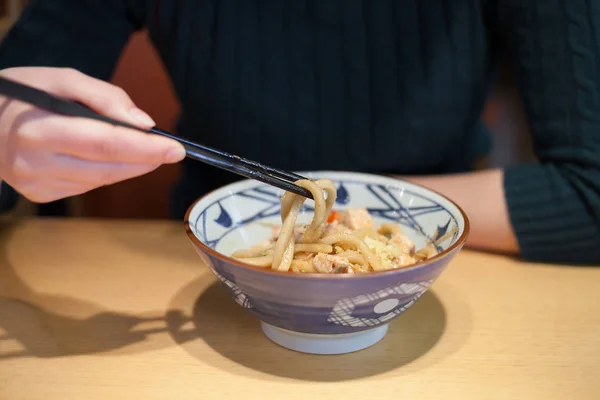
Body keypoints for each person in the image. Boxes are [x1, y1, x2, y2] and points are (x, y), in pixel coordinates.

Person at [0, 1, 598, 264]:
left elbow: (589, 193)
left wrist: (349, 217)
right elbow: (21, 97)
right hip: (203, 268)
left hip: (443, 262)